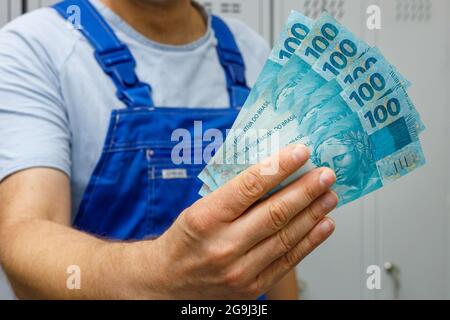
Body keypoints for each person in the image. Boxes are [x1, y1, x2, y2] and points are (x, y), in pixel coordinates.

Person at [0, 0, 338, 299]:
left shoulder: (250, 50)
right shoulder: (35, 47)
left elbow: (270, 242)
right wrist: (158, 275)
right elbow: (25, 233)